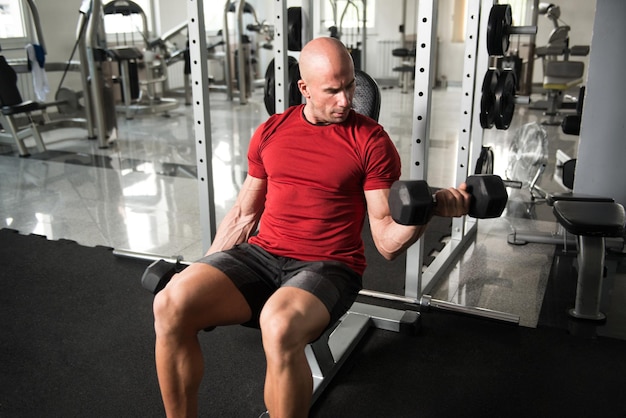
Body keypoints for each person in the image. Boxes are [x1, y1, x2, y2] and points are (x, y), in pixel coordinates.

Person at [152, 36, 471, 418]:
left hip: (328, 266)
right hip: (260, 255)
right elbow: (243, 215)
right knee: (171, 302)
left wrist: (427, 211)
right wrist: (204, 274)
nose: (346, 100)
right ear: (303, 88)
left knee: (279, 324)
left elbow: (386, 241)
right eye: (333, 90)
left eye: (351, 86)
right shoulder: (271, 131)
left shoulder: (371, 141)